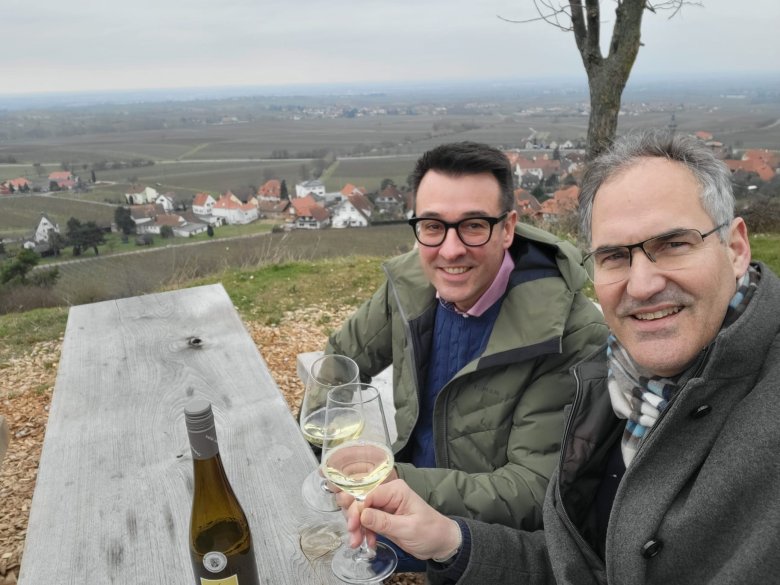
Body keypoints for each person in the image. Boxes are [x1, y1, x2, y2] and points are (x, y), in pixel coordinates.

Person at [342, 129, 780, 584]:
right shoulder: (618, 378)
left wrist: (395, 480)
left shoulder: (574, 343)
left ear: (734, 248)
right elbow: (580, 562)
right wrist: (451, 542)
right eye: (614, 255)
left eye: (673, 244)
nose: (644, 283)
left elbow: (533, 490)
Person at [325, 141, 607, 561]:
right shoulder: (409, 284)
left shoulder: (570, 335)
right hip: (392, 499)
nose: (450, 250)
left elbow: (532, 490)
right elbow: (340, 362)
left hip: (480, 545)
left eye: (474, 225)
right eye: (433, 226)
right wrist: (327, 444)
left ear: (507, 228)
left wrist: (390, 480)